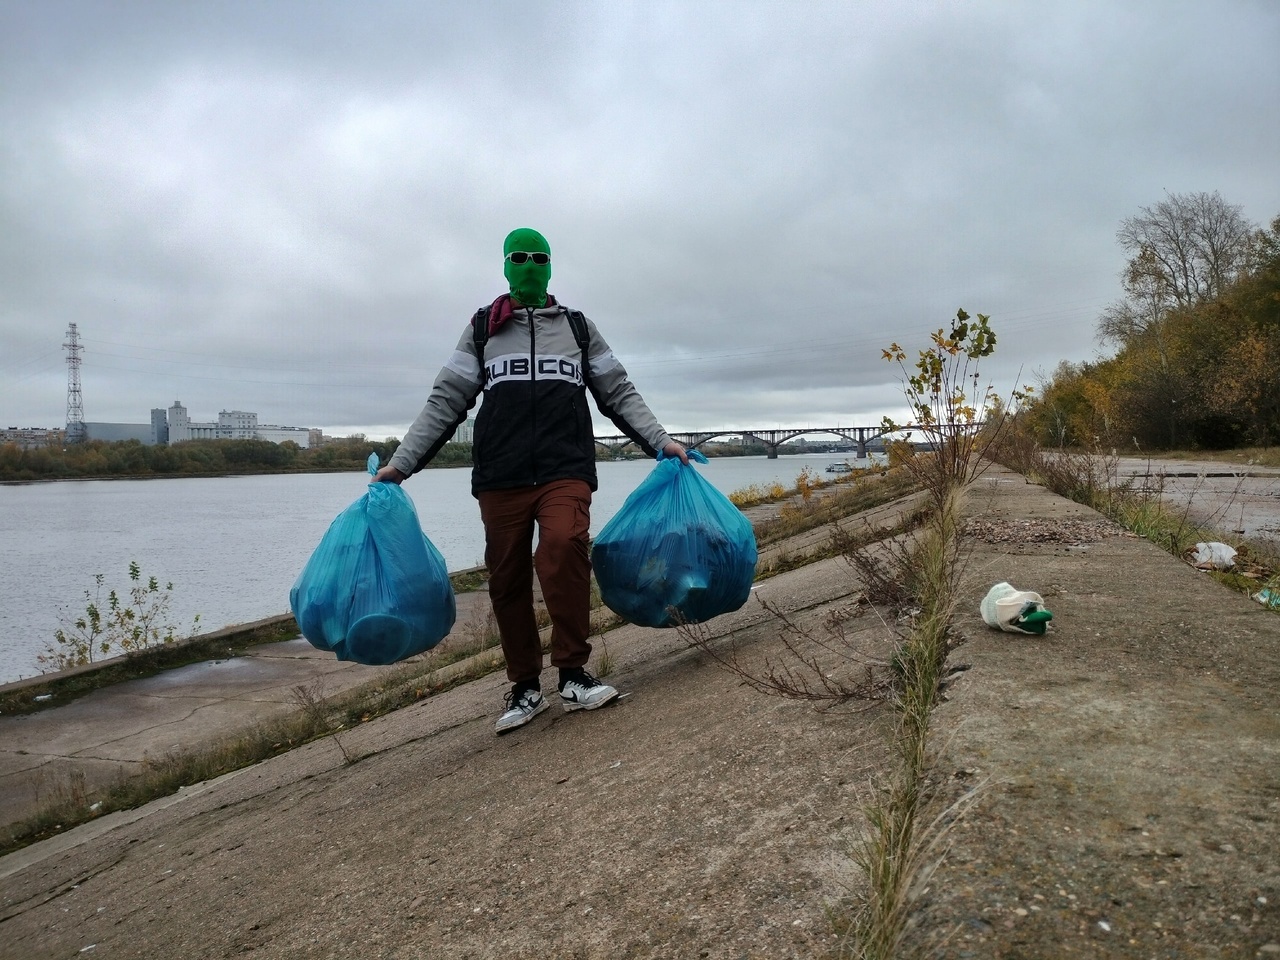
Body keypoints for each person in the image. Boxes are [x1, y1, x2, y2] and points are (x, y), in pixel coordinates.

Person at [375, 227, 687, 734]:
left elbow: (619, 392)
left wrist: (661, 441)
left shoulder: (579, 330)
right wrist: (400, 465)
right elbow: (445, 401)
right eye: (518, 257)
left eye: (539, 257)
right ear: (504, 265)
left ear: (551, 266)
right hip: (501, 475)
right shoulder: (483, 330)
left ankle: (573, 673)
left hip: (565, 469)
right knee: (507, 577)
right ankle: (524, 686)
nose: (529, 265)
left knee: (564, 547)